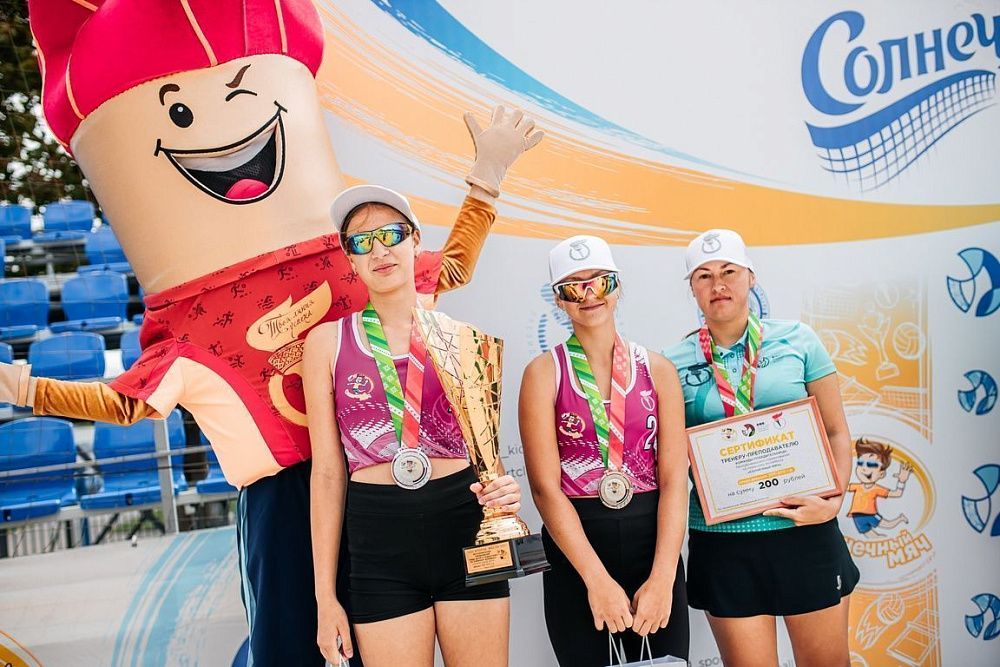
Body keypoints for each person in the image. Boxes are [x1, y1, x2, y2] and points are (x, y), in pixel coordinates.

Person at [303, 185, 523, 667]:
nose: (379, 250)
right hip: (379, 539)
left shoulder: (458, 339)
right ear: (349, 259)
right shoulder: (326, 343)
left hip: (463, 523)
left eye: (391, 235)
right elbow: (327, 474)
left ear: (415, 241)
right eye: (362, 242)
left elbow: (485, 451)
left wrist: (503, 489)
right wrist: (325, 597)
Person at [664, 229, 859, 667]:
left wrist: (833, 502)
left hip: (803, 531)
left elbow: (836, 432)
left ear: (751, 277)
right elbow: (671, 462)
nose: (718, 284)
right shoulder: (670, 362)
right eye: (704, 275)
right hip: (724, 542)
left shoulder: (798, 339)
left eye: (729, 271)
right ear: (692, 288)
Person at [519, 235, 690, 666]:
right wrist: (596, 581)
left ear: (617, 286)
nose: (589, 296)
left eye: (599, 282)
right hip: (578, 553)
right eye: (573, 287)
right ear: (559, 299)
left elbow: (674, 481)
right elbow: (545, 489)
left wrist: (664, 577)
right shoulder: (543, 373)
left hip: (653, 546)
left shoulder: (659, 370)